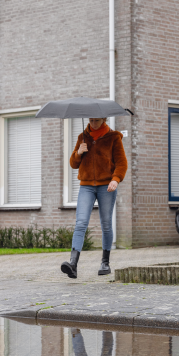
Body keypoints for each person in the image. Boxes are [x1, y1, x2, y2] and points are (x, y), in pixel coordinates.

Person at [61, 118, 128, 279]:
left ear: (104, 119)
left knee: (106, 223)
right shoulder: (82, 137)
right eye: (91, 120)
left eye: (97, 120)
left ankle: (105, 263)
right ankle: (73, 264)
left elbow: (122, 163)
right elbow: (73, 163)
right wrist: (78, 152)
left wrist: (115, 179)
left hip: (107, 186)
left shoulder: (114, 138)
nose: (93, 123)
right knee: (81, 222)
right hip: (86, 186)